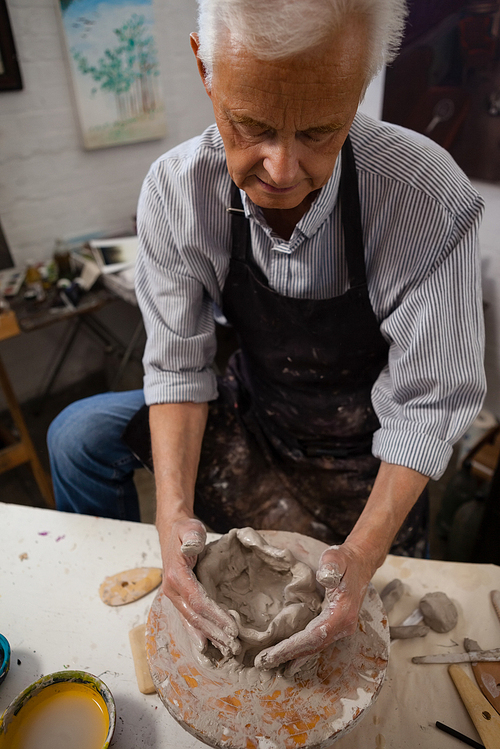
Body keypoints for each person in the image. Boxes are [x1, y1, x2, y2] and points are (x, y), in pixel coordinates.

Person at [48, 0, 486, 670]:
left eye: (319, 131)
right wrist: (171, 521)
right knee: (78, 436)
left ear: (361, 85)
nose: (281, 171)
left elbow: (429, 409)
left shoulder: (424, 196)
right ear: (205, 68)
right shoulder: (177, 191)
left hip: (363, 457)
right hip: (258, 418)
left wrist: (359, 559)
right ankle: (139, 597)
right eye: (249, 126)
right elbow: (178, 369)